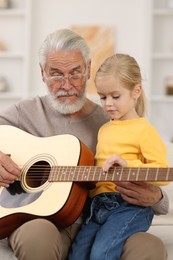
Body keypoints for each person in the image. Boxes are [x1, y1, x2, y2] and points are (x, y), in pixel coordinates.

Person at [0, 29, 169, 260]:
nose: (66, 84)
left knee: (149, 247)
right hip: (43, 222)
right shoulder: (25, 112)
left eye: (75, 73)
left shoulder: (111, 121)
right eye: (56, 74)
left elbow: (157, 181)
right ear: (42, 73)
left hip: (101, 219)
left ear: (88, 69)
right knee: (36, 234)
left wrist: (157, 198)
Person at [68, 53, 169, 260]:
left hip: (129, 206)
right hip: (98, 206)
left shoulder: (145, 130)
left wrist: (128, 165)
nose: (108, 104)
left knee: (101, 254)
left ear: (136, 91)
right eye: (103, 97)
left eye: (115, 96)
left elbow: (163, 173)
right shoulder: (104, 129)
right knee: (77, 255)